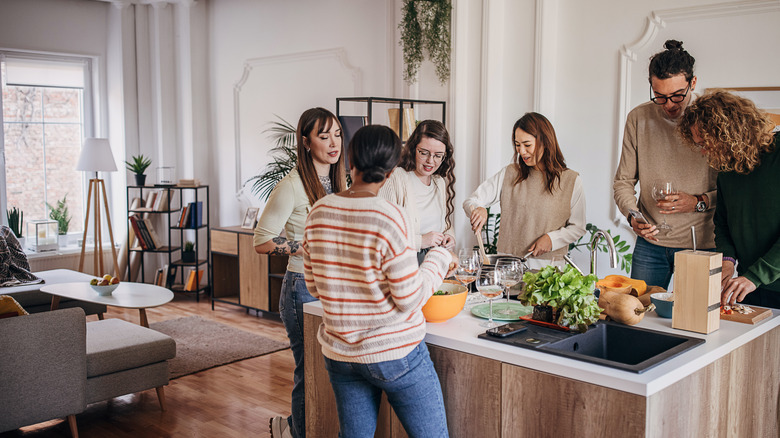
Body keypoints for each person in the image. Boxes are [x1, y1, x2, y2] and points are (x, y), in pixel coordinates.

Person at [302, 125, 454, 437]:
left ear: (349, 160)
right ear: (392, 169)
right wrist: (439, 258)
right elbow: (409, 299)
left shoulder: (318, 211)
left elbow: (314, 287)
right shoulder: (388, 215)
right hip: (394, 354)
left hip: (341, 355)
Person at [254, 107, 348, 438]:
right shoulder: (291, 185)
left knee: (329, 372)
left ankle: (294, 426)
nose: (334, 143)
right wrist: (302, 247)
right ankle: (295, 433)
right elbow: (262, 241)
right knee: (308, 371)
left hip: (334, 289)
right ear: (306, 142)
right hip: (301, 288)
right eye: (324, 137)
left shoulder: (341, 181)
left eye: (337, 134)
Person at [613, 39, 717, 289]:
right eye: (660, 96)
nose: (669, 104)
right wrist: (632, 216)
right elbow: (623, 182)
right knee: (638, 318)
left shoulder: (711, 119)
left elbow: (735, 190)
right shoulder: (638, 118)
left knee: (694, 323)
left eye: (677, 95)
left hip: (700, 244)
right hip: (650, 246)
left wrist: (698, 201)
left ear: (693, 82)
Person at [677, 90, 780, 309]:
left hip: (760, 281)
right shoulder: (726, 166)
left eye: (706, 142)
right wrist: (728, 261)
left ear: (727, 133)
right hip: (749, 286)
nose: (704, 151)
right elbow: (722, 222)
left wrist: (756, 276)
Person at [463, 112, 585, 267]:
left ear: (545, 142)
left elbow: (578, 227)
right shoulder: (510, 173)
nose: (521, 151)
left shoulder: (571, 180)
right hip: (508, 269)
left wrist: (552, 240)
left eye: (527, 145)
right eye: (517, 145)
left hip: (549, 271)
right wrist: (478, 209)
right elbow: (471, 201)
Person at [379, 120, 456, 263]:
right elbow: (383, 233)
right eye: (424, 153)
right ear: (413, 148)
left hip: (434, 264)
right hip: (403, 267)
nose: (430, 161)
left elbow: (444, 224)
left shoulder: (438, 182)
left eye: (438, 155)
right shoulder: (395, 178)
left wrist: (449, 236)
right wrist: (420, 241)